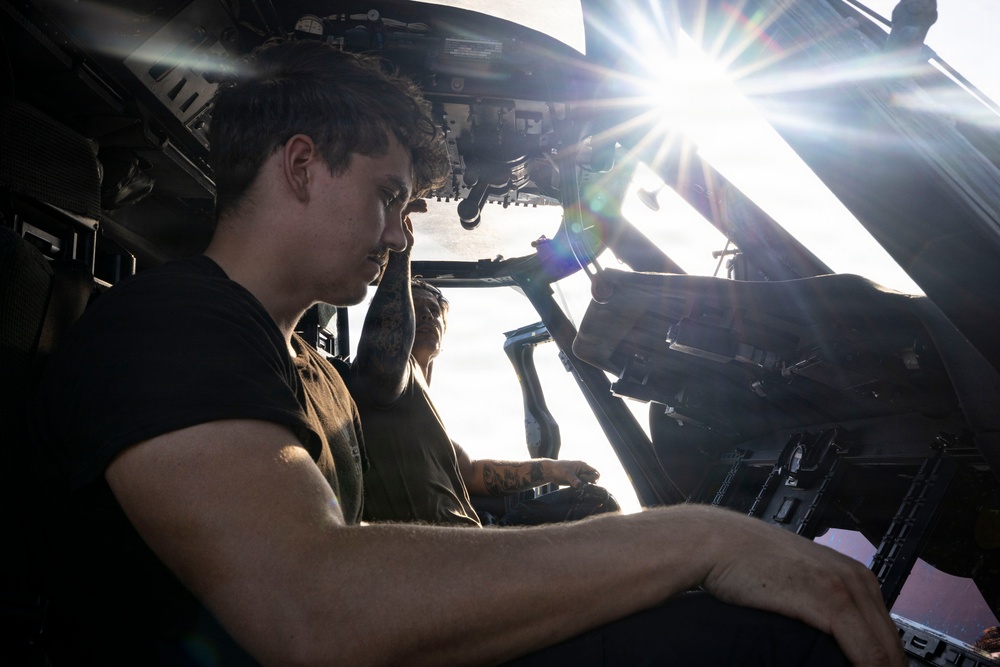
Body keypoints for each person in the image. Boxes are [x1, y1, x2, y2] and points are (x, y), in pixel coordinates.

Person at [23, 39, 905, 666]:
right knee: (762, 645)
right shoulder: (167, 328)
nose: (400, 231)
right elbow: (313, 612)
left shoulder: (304, 367)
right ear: (300, 167)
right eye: (389, 196)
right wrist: (697, 537)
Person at [351, 211, 611, 527]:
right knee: (596, 503)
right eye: (416, 310)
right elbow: (385, 346)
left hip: (473, 532)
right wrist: (401, 255)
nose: (429, 317)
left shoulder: (421, 407)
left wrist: (554, 467)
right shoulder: (382, 378)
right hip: (446, 549)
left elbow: (472, 472)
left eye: (435, 312)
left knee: (530, 497)